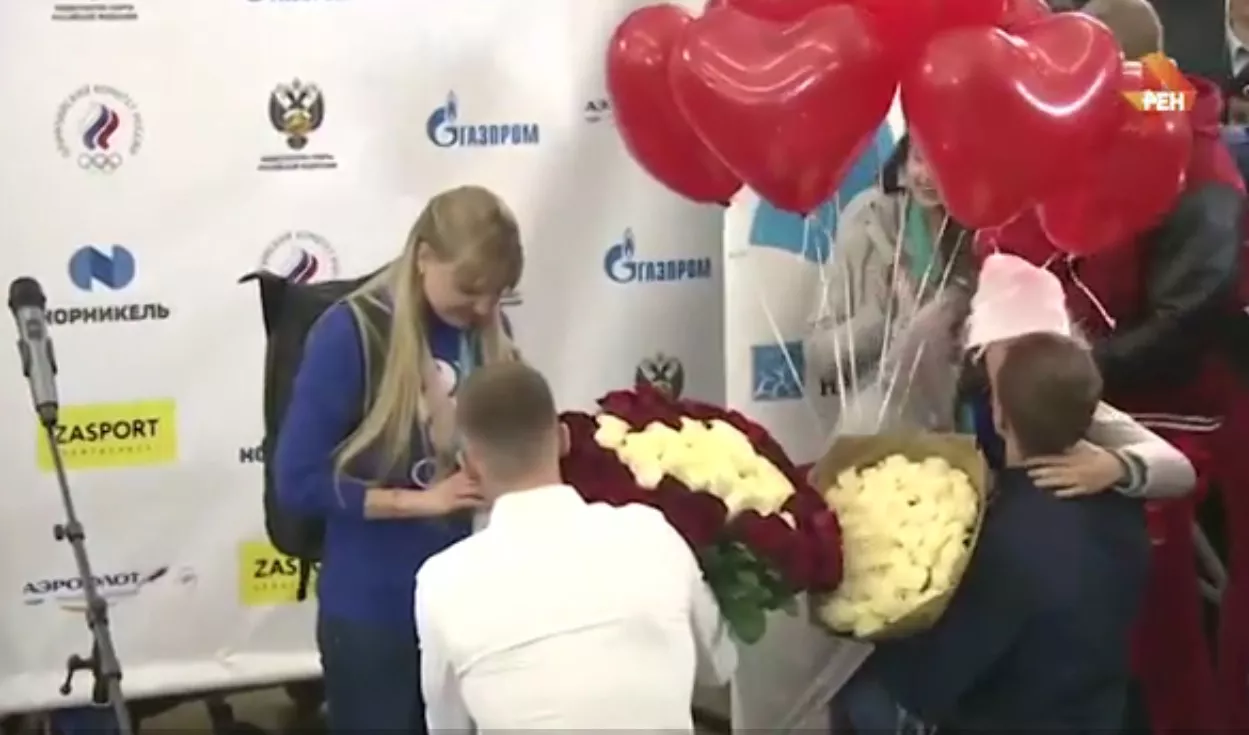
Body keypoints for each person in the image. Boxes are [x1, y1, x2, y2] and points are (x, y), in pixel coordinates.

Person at [983, 1, 1247, 731]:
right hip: (1084, 390)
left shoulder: (1194, 160)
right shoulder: (1086, 135)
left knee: (1155, 625)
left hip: (1170, 408)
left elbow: (1183, 325)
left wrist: (1065, 377)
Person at [272, 185, 523, 734]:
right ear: (424, 256)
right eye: (470, 289)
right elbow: (296, 482)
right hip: (377, 612)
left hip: (471, 608)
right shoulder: (350, 334)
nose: (483, 308)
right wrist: (421, 502)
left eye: (498, 293)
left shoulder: (488, 331)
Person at [414, 362, 737, 732]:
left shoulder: (441, 582)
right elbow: (720, 666)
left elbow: (448, 727)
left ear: (469, 466)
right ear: (564, 439)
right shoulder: (652, 533)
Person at [869, 327, 1151, 733]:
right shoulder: (1124, 503)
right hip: (1102, 716)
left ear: (999, 417)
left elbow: (925, 688)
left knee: (865, 699)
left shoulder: (1000, 542)